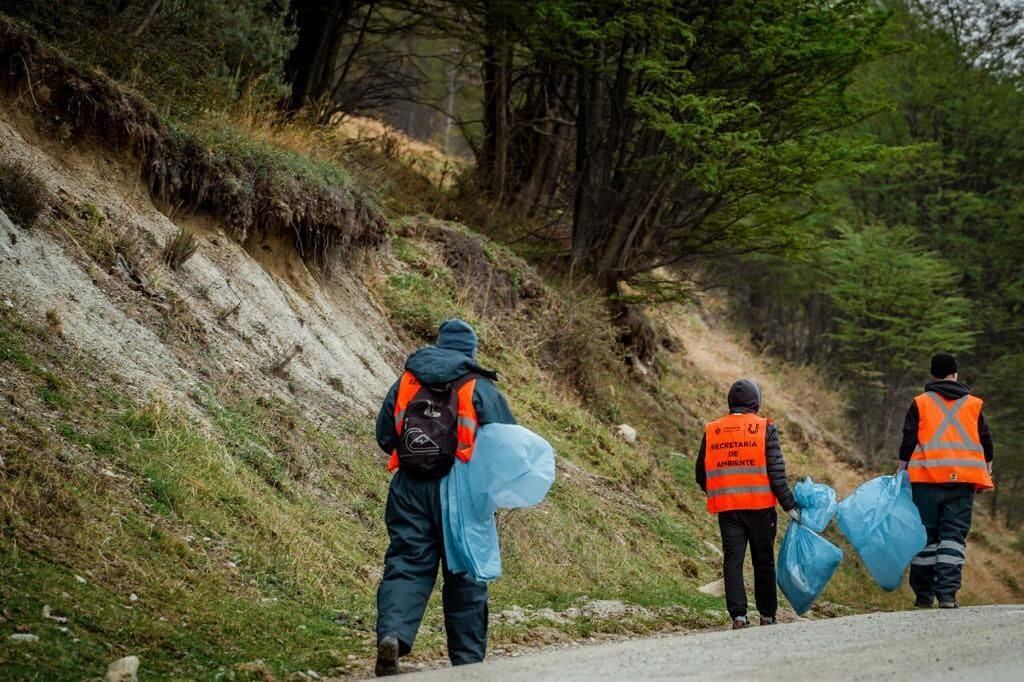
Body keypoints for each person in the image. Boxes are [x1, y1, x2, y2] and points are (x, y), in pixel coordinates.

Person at [373, 319, 515, 676]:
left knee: (407, 561)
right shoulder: (477, 386)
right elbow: (507, 445)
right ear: (470, 352)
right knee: (465, 569)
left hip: (409, 485)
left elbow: (385, 435)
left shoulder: (407, 381)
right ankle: (467, 663)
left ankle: (393, 635)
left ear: (438, 345)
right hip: (461, 491)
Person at [696, 379, 799, 629]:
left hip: (728, 509)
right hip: (761, 509)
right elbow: (776, 473)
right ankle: (767, 615)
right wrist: (790, 506)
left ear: (730, 402)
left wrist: (720, 491)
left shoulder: (713, 430)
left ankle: (738, 616)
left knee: (733, 561)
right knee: (763, 561)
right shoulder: (765, 428)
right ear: (756, 402)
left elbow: (701, 473)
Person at [899, 352, 994, 610]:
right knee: (953, 537)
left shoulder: (920, 402)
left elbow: (909, 440)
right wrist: (987, 471)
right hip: (962, 483)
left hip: (926, 481)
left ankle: (923, 596)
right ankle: (948, 596)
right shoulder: (974, 404)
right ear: (955, 374)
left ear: (933, 374)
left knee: (926, 538)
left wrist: (901, 471)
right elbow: (986, 441)